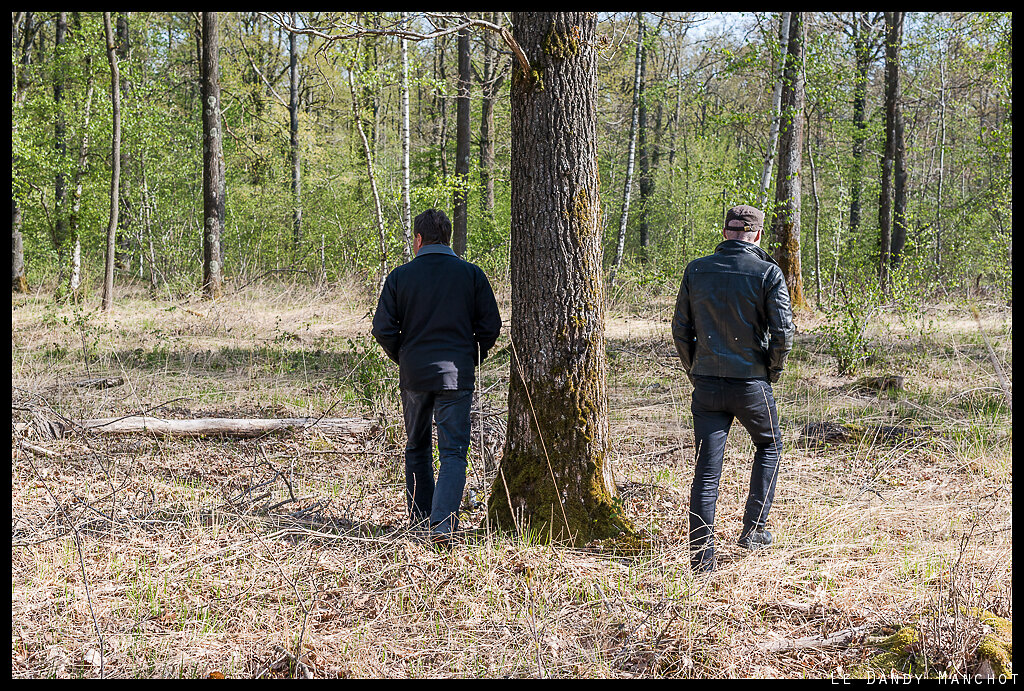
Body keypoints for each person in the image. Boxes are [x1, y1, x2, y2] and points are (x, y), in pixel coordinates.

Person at [671, 204, 795, 574]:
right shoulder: (768, 272)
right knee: (770, 444)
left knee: (707, 470)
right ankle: (754, 530)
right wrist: (770, 371)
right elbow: (784, 333)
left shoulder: (696, 269)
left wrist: (696, 370)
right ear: (756, 236)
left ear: (726, 232)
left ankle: (702, 558)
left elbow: (680, 330)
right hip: (750, 382)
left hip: (707, 384)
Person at [371, 208, 502, 549]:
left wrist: (405, 356)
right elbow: (491, 326)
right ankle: (442, 526)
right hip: (456, 376)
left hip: (414, 374)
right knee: (454, 452)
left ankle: (419, 519)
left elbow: (382, 329)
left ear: (418, 239)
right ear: (447, 238)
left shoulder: (400, 277)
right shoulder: (471, 274)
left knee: (416, 446)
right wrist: (473, 355)